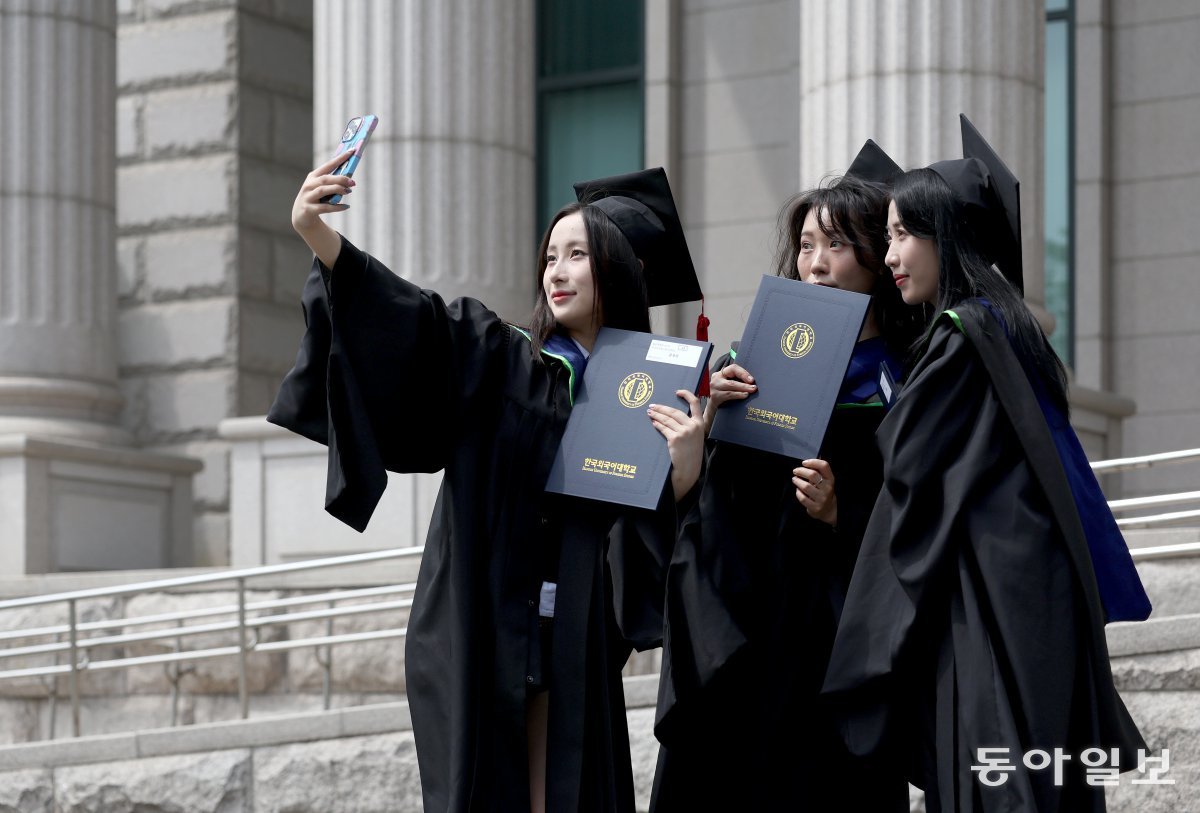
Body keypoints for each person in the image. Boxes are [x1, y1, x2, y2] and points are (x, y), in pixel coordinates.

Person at [269, 156, 708, 812]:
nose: (557, 271)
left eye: (578, 254)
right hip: (484, 618)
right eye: (551, 255)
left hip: (570, 635)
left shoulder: (642, 397)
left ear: (619, 270)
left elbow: (630, 558)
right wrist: (321, 238)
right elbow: (413, 323)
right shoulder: (501, 354)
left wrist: (684, 473)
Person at [821, 115, 1151, 813]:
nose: (891, 255)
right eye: (886, 237)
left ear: (951, 236)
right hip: (1033, 601)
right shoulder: (1007, 331)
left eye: (904, 233)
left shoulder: (960, 338)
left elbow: (909, 468)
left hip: (988, 608)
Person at [650, 141, 922, 811]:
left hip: (839, 633)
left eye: (835, 244)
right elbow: (716, 513)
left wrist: (841, 513)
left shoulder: (905, 377)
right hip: (755, 628)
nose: (816, 262)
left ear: (875, 258)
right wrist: (715, 432)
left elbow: (920, 511)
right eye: (805, 245)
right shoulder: (755, 363)